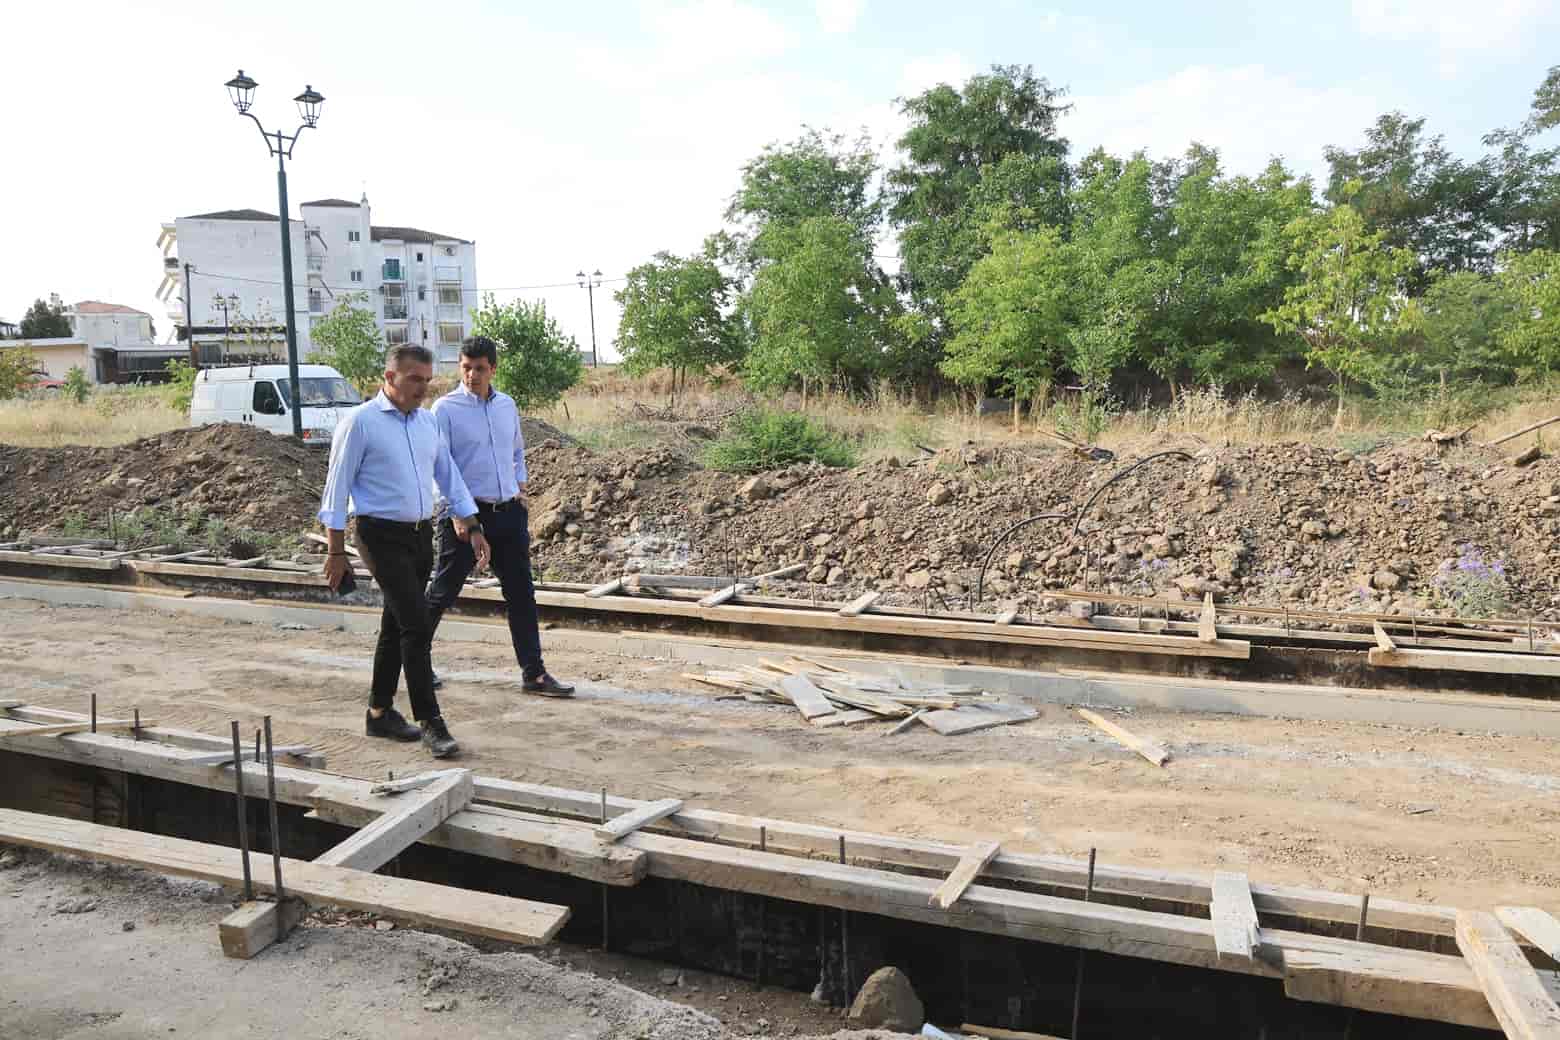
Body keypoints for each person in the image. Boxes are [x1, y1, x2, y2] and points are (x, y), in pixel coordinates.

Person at [318, 344, 491, 758]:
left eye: (427, 380)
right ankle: (431, 722)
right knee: (416, 625)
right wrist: (336, 552)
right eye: (414, 379)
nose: (422, 388)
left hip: (419, 535)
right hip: (378, 535)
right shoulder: (360, 423)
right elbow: (336, 491)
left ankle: (379, 713)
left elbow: (450, 477)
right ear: (390, 377)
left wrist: (472, 525)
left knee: (396, 626)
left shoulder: (427, 423)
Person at [425, 335, 574, 697]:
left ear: (493, 368)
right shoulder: (444, 409)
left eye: (479, 368)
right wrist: (457, 513)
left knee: (522, 594)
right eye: (466, 368)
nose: (472, 375)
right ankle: (413, 659)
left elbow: (517, 452)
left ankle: (534, 674)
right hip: (466, 515)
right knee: (444, 590)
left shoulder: (507, 405)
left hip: (508, 513)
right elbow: (438, 465)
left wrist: (519, 486)